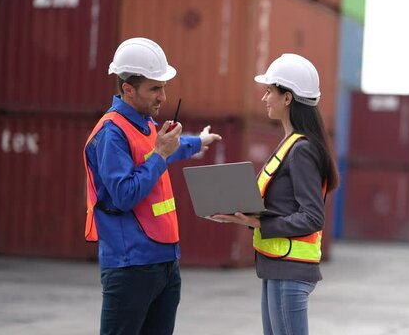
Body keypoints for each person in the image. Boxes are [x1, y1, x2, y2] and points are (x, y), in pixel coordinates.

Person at [83, 37, 221, 335]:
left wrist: (199, 142)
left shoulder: (144, 124)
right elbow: (123, 195)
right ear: (128, 89)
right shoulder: (111, 133)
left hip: (164, 262)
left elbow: (166, 147)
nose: (163, 96)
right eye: (155, 88)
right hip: (131, 265)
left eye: (163, 87)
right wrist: (160, 154)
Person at [212, 53, 339, 335]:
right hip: (276, 267)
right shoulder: (290, 144)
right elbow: (280, 204)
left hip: (290, 271)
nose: (264, 98)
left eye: (269, 91)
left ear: (287, 98)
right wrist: (240, 215)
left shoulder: (301, 150)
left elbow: (312, 217)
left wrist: (258, 223)